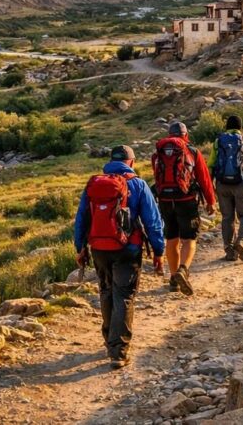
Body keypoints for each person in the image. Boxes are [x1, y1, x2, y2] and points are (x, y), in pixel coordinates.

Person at [74, 145, 165, 369]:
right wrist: (159, 251)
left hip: (99, 248)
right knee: (123, 295)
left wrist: (80, 248)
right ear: (131, 162)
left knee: (106, 291)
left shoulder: (94, 185)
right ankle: (119, 351)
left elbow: (81, 218)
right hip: (128, 249)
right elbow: (153, 222)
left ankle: (109, 339)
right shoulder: (139, 185)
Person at [151, 121, 215, 295]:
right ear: (186, 135)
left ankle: (173, 279)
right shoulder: (193, 151)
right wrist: (210, 201)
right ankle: (183, 270)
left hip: (165, 200)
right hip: (186, 199)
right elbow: (204, 179)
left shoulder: (158, 153)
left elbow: (157, 178)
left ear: (169, 134)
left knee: (171, 239)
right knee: (189, 239)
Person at [209, 114, 243, 262]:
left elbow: (211, 165)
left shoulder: (218, 142)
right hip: (242, 185)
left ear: (226, 127)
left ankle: (229, 251)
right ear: (240, 128)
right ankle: (241, 241)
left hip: (222, 185)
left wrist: (209, 187)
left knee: (227, 218)